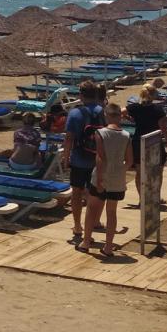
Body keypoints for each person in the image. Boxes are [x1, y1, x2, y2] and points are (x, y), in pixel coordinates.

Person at [80, 102, 132, 256]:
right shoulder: (126, 135)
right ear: (119, 116)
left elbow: (100, 157)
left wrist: (101, 179)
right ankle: (108, 247)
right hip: (117, 178)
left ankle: (86, 241)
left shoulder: (101, 133)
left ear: (106, 115)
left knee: (91, 208)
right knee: (111, 212)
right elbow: (129, 161)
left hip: (101, 176)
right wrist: (120, 171)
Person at [62, 80, 105, 245]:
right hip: (97, 160)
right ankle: (94, 222)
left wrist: (66, 157)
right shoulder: (102, 111)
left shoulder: (75, 113)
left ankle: (78, 226)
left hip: (79, 159)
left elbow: (69, 138)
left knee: (77, 192)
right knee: (95, 193)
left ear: (81, 95)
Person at [124, 84, 167, 196]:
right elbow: (163, 128)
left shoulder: (135, 107)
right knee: (158, 171)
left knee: (140, 172)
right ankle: (155, 196)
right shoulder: (158, 109)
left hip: (138, 141)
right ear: (154, 94)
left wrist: (131, 119)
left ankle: (142, 199)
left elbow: (120, 112)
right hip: (154, 141)